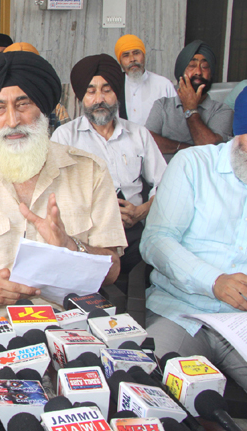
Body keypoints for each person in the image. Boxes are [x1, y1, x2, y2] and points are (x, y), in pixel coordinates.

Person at [140, 85, 247, 430]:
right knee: (143, 390)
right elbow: (157, 241)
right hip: (185, 313)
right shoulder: (193, 166)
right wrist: (214, 282)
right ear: (238, 132)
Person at [0, 51, 126, 317]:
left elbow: (113, 270)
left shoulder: (90, 172)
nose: (12, 121)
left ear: (44, 111)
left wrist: (71, 246)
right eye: (0, 108)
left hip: (71, 327)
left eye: (23, 105)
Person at [52, 55, 166, 273]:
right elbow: (55, 193)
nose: (99, 99)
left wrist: (142, 211)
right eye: (91, 91)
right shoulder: (64, 137)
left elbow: (166, 183)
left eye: (106, 90)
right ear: (80, 97)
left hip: (134, 232)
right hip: (87, 236)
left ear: (117, 94)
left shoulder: (139, 134)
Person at [145, 41, 233, 161]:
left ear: (211, 74)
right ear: (181, 72)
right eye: (192, 65)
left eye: (205, 67)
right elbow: (147, 141)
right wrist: (184, 147)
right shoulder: (163, 105)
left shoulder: (222, 111)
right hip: (162, 177)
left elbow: (209, 148)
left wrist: (190, 109)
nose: (198, 72)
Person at [0, 42, 69, 129]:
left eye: (23, 104)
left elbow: (66, 137)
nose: (12, 123)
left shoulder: (56, 107)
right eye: (0, 108)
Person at [114, 34, 177, 126]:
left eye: (136, 53)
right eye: (126, 55)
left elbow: (175, 121)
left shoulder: (163, 85)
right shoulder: (114, 86)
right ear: (120, 61)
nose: (132, 59)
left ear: (143, 55)